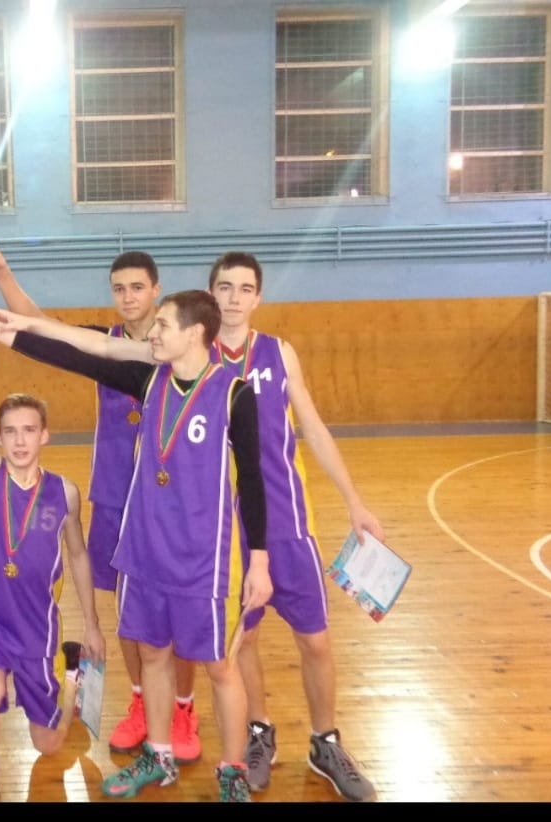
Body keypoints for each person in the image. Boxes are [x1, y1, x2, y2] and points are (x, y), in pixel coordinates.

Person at [0, 290, 271, 802]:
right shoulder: (150, 381)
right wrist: (10, 333)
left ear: (195, 332)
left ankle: (233, 768)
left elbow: (254, 480)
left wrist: (258, 559)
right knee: (152, 655)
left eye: (163, 325)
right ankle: (159, 754)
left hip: (202, 560)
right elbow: (82, 354)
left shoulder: (234, 394)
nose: (153, 333)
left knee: (220, 666)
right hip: (145, 553)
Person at [0, 242, 202, 764]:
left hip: (168, 502)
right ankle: (142, 703)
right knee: (130, 613)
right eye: (119, 288)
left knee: (172, 611)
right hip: (115, 496)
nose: (128, 296)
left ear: (156, 290)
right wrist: (3, 275)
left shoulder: (176, 350)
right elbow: (40, 328)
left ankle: (183, 708)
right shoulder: (104, 343)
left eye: (137, 287)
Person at [206, 251, 383, 802]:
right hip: (225, 529)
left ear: (258, 297)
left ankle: (325, 742)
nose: (234, 298)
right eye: (225, 287)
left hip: (286, 521)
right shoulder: (195, 353)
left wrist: (354, 500)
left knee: (316, 640)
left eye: (245, 288)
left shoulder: (279, 353)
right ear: (210, 294)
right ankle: (259, 730)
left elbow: (313, 427)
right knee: (243, 638)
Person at [0, 318, 106, 803]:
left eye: (29, 431)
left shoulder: (64, 493)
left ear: (45, 435)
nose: (18, 441)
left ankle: (72, 672)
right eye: (9, 431)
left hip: (38, 627)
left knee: (48, 745)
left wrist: (93, 625)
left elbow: (78, 555)